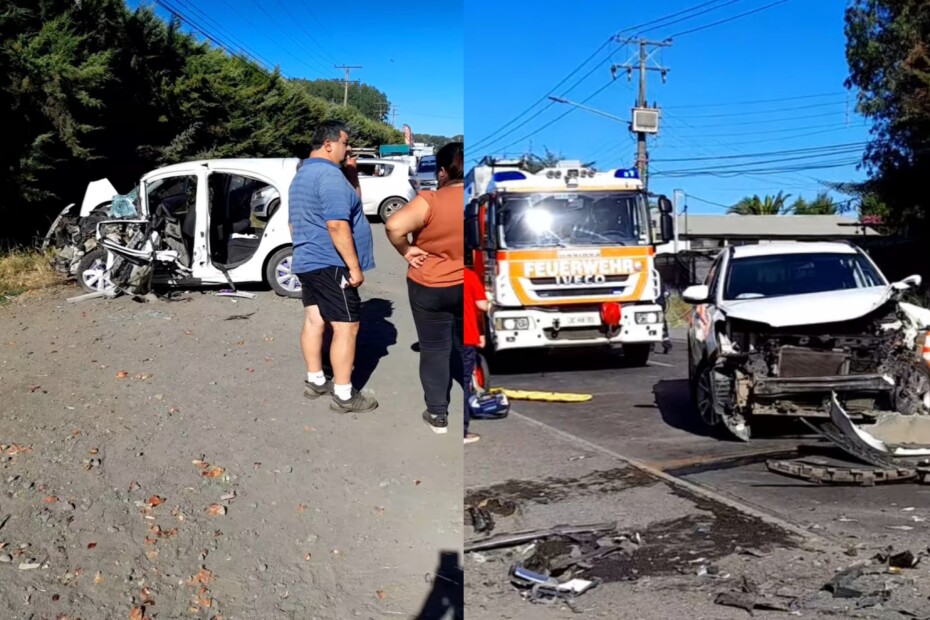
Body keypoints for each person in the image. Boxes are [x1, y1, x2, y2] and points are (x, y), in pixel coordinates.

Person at [288, 120, 378, 413]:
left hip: (308, 260)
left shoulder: (302, 175)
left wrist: (351, 173)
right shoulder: (328, 176)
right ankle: (343, 395)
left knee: (315, 320)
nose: (348, 150)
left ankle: (316, 381)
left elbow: (295, 224)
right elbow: (337, 224)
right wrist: (354, 267)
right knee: (347, 326)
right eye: (345, 143)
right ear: (328, 144)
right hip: (331, 263)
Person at [385, 142, 464, 434]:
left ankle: (437, 413)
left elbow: (394, 226)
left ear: (442, 171)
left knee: (435, 349)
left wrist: (406, 250)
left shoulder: (430, 199)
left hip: (430, 284)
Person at [463, 265, 487, 444]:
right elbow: (482, 305)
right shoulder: (469, 276)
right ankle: (462, 431)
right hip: (466, 336)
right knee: (464, 382)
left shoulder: (443, 273)